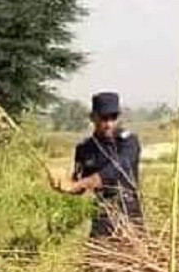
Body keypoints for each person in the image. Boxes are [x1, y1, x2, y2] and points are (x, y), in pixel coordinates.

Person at [54, 91, 143, 238]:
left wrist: (78, 184)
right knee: (95, 259)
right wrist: (62, 185)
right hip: (101, 214)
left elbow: (115, 170)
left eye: (113, 118)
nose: (109, 124)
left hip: (129, 213)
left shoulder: (128, 142)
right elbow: (77, 187)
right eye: (103, 118)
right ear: (93, 118)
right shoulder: (84, 148)